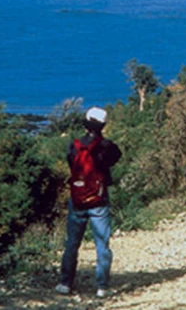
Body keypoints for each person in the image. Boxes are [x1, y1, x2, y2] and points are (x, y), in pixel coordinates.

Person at [56, 106, 122, 298]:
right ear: (102, 125)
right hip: (99, 199)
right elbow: (114, 159)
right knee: (102, 243)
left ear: (86, 123)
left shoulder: (74, 146)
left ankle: (65, 283)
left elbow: (71, 165)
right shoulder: (108, 147)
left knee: (72, 243)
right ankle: (102, 287)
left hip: (77, 199)